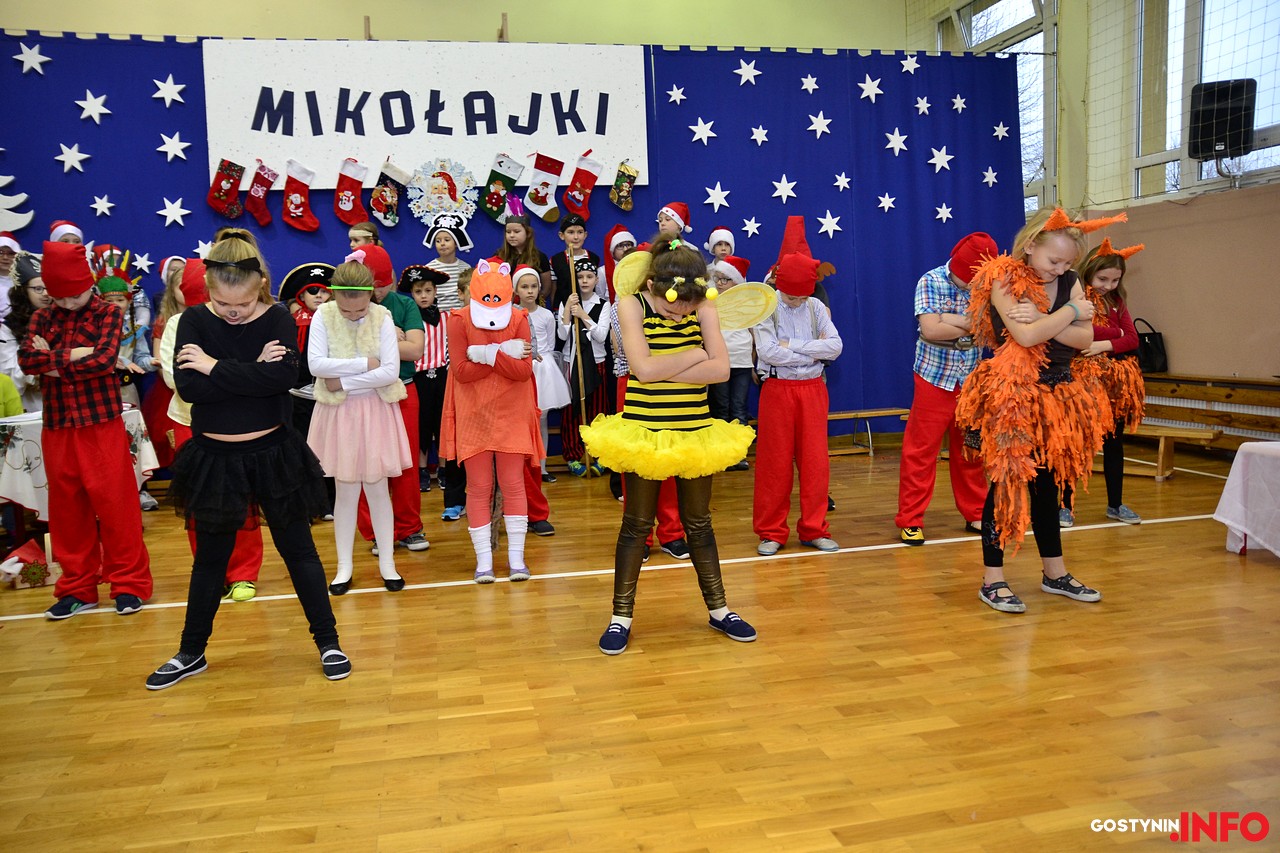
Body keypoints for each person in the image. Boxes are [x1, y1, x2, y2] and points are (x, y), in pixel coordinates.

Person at [149, 236, 348, 688]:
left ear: (259, 286)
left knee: (299, 552)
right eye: (223, 304)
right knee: (210, 562)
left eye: (241, 304)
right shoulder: (192, 321)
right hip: (215, 458)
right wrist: (251, 369)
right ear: (209, 291)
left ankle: (329, 641)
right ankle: (190, 651)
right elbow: (190, 389)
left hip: (274, 453)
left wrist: (213, 366)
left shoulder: (277, 316)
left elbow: (282, 378)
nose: (232, 312)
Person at [580, 239, 757, 655]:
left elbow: (721, 370)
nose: (679, 316)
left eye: (685, 312)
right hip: (645, 432)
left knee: (700, 523)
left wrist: (665, 368)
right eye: (671, 309)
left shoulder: (704, 305)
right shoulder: (631, 304)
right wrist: (696, 352)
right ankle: (620, 617)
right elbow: (641, 369)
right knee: (636, 525)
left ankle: (719, 609)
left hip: (695, 431)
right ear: (652, 286)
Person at [956, 207, 1123, 614]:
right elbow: (1026, 336)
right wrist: (1070, 313)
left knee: (1048, 486)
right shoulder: (1002, 277)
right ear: (1030, 246)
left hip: (1057, 396)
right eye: (1054, 261)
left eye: (1067, 263)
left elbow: (1084, 339)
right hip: (1013, 395)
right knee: (1005, 485)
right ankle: (992, 580)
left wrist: (1046, 318)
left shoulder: (1070, 280)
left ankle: (1054, 573)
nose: (1061, 270)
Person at [18, 241, 152, 619]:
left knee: (117, 508)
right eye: (58, 296)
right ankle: (77, 587)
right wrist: (77, 354)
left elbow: (105, 361)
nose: (67, 303)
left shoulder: (108, 312)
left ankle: (129, 584)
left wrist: (51, 360)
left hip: (101, 424)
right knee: (67, 512)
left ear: (88, 284)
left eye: (74, 295)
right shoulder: (41, 318)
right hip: (58, 426)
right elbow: (27, 361)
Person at [158, 259, 266, 603]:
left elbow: (261, 372)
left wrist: (214, 371)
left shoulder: (246, 320)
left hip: (237, 424)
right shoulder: (177, 324)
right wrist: (238, 377)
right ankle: (210, 570)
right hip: (189, 423)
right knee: (200, 503)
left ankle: (244, 571)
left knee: (241, 497)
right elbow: (175, 378)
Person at [307, 257, 412, 595]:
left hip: (375, 410)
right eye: (345, 310)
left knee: (378, 488)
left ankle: (388, 564)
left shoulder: (383, 317)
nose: (353, 315)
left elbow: (390, 371)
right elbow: (316, 364)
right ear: (334, 296)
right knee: (346, 491)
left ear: (371, 295)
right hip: (338, 415)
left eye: (360, 309)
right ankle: (344, 567)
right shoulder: (323, 316)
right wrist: (365, 363)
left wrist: (343, 381)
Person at [440, 259, 542, 583]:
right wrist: (504, 352)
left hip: (512, 411)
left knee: (513, 484)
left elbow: (523, 371)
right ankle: (483, 562)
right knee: (479, 486)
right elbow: (462, 371)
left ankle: (516, 560)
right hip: (473, 414)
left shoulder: (519, 318)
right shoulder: (458, 320)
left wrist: (487, 353)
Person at [895, 233, 996, 546]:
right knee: (920, 452)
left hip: (971, 381)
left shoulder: (989, 284)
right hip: (933, 378)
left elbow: (990, 328)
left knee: (970, 449)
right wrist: (971, 322)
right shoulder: (931, 280)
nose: (970, 286)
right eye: (966, 280)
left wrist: (951, 320)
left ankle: (976, 512)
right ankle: (911, 519)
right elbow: (930, 329)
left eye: (975, 281)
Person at [752, 252, 844, 555]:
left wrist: (792, 345)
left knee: (815, 462)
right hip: (778, 389)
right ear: (779, 286)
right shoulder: (767, 307)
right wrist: (813, 352)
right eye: (791, 296)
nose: (796, 302)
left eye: (802, 297)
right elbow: (768, 352)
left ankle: (814, 528)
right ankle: (771, 531)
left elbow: (835, 347)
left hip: (813, 389)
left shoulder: (815, 306)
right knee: (774, 463)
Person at [1061, 239, 1147, 527]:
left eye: (1115, 280)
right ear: (1088, 272)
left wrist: (1103, 344)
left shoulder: (1116, 301)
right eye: (1102, 279)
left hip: (1113, 385)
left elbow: (1132, 339)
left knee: (1114, 443)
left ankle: (1115, 504)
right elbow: (1078, 331)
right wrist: (1114, 334)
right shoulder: (1076, 298)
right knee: (1075, 443)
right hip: (1081, 383)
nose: (1108, 286)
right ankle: (1065, 505)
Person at [357, 245, 429, 554]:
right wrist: (391, 339)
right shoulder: (349, 304)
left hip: (403, 390)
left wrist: (373, 344)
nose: (377, 292)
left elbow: (415, 350)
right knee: (368, 465)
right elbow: (347, 349)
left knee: (406, 462)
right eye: (371, 286)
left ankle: (409, 527)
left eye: (383, 284)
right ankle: (376, 532)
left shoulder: (405, 304)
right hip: (363, 394)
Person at [399, 264, 451, 492]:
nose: (423, 296)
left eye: (428, 291)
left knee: (443, 423)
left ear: (435, 291)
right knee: (421, 424)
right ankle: (421, 470)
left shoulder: (447, 318)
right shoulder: (409, 321)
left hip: (442, 376)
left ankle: (443, 468)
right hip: (419, 378)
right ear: (411, 293)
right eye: (418, 291)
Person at [516, 264, 570, 483]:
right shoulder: (512, 314)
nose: (530, 291)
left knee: (542, 419)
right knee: (521, 421)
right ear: (516, 289)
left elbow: (549, 342)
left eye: (534, 286)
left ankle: (542, 467)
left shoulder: (547, 315)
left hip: (543, 369)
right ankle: (522, 467)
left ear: (539, 288)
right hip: (521, 369)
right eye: (524, 287)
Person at [558, 257, 610, 477]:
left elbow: (601, 336)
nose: (585, 281)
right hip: (572, 362)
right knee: (572, 411)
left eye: (589, 276)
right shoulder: (567, 303)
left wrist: (583, 315)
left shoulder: (603, 304)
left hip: (596, 363)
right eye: (580, 277)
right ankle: (573, 455)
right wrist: (568, 311)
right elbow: (562, 335)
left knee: (597, 410)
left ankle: (600, 456)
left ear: (596, 279)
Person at [706, 255, 754, 469]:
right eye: (717, 278)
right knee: (720, 407)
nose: (719, 283)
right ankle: (722, 455)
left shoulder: (746, 302)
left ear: (737, 281)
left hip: (742, 361)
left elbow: (754, 332)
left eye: (725, 279)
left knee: (738, 408)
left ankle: (738, 455)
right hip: (719, 361)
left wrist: (755, 362)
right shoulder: (710, 301)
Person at [2, 252, 49, 411]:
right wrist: (38, 366)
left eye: (49, 287)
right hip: (29, 406)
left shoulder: (63, 318)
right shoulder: (8, 328)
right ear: (23, 291)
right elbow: (7, 377)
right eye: (38, 289)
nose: (46, 294)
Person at [495, 214, 553, 304]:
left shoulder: (539, 257)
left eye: (516, 231)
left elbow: (546, 288)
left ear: (528, 233)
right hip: (505, 306)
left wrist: (531, 302)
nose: (512, 235)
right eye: (508, 232)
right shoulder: (500, 256)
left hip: (530, 306)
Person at [549, 214, 601, 311]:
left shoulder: (593, 258)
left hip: (588, 309)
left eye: (580, 232)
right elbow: (554, 289)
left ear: (585, 235)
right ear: (561, 235)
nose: (576, 237)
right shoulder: (555, 261)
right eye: (571, 232)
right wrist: (556, 310)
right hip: (564, 310)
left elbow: (596, 287)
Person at [426, 223, 471, 312]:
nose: (442, 244)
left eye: (447, 240)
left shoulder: (465, 267)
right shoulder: (429, 268)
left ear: (456, 243)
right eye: (438, 241)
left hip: (460, 314)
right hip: (438, 316)